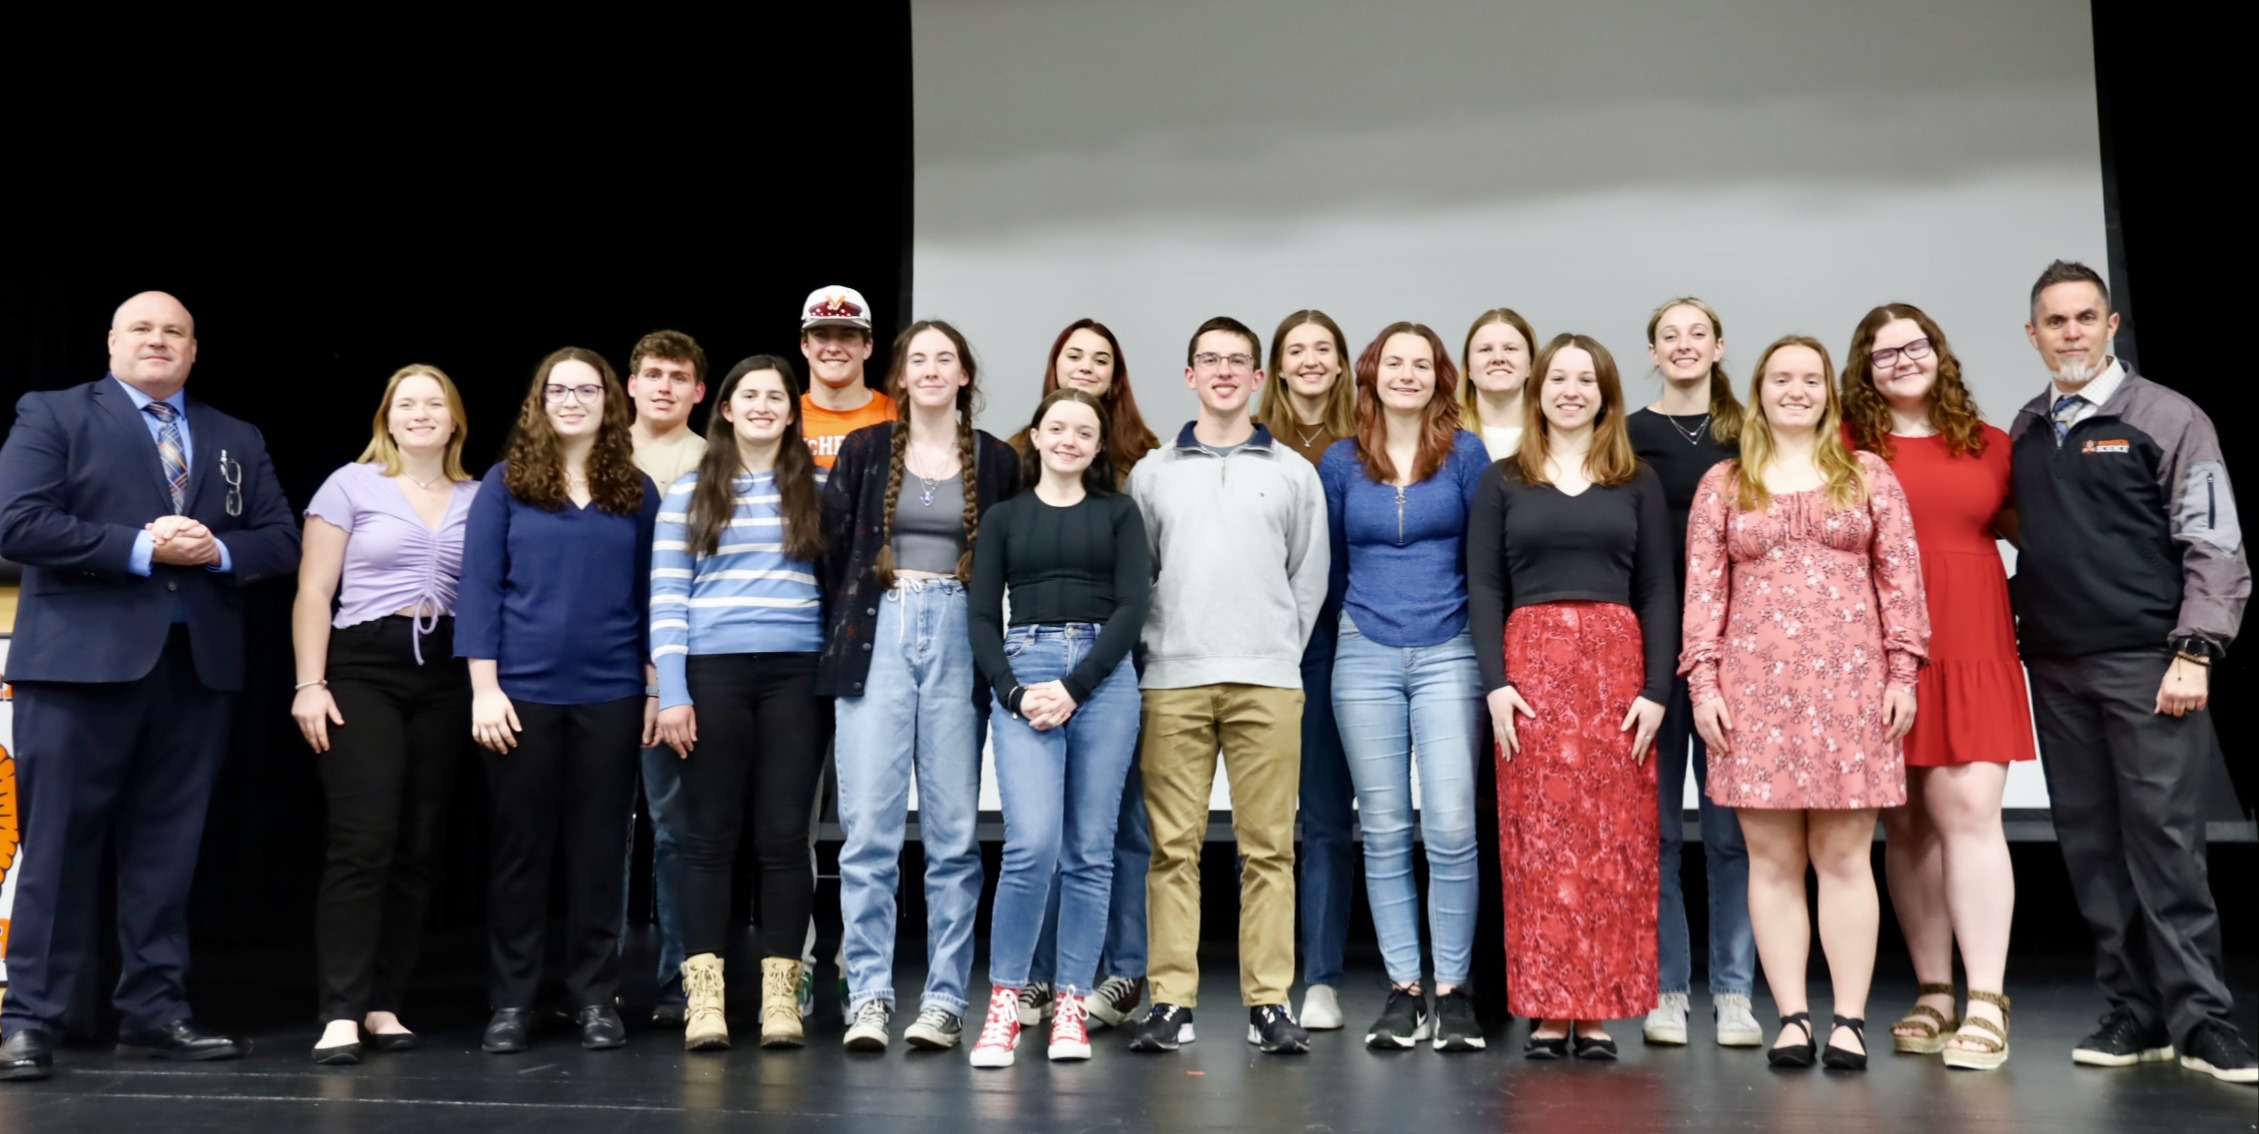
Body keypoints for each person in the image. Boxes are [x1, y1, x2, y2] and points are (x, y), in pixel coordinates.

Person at [0, 291, 300, 1082]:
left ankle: (155, 1012)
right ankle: (29, 1020)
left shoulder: (236, 435)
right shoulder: (54, 414)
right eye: (143, 328)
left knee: (166, 855)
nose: (159, 341)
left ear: (195, 351)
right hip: (74, 669)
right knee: (59, 848)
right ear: (111, 343)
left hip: (194, 672)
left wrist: (217, 553)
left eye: (175, 332)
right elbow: (17, 522)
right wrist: (140, 546)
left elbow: (279, 540)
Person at [2008, 260, 2255, 1084]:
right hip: (2054, 671)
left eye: (2085, 318)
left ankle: (2203, 1021)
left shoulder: (2167, 417)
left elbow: (2213, 543)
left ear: (2111, 326)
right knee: (2089, 846)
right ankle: (2133, 1013)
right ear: (2033, 334)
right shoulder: (2025, 429)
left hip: (2152, 667)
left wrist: (2195, 649)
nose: (2070, 333)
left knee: (2165, 843)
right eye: (2054, 321)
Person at [1679, 335, 1929, 1073]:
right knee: (1772, 859)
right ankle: (1791, 1015)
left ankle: (1847, 1019)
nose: (1795, 390)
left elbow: (1901, 582)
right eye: (1780, 378)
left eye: (1809, 379)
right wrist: (1703, 686)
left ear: (1828, 391)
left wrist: (1901, 676)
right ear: (1757, 390)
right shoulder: (1723, 483)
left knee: (1846, 857)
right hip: (1753, 697)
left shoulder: (1866, 475)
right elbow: (1702, 596)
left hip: (1853, 691)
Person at [1126, 316, 1328, 1056]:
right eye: (1207, 360)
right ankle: (1171, 1002)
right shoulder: (1150, 472)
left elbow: (1307, 580)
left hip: (1267, 682)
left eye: (1236, 361)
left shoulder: (1292, 473)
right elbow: (1138, 576)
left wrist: (1273, 652)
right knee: (1170, 850)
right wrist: (1160, 652)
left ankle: (1267, 1003)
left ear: (1256, 379)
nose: (1221, 371)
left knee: (1268, 849)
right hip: (1173, 681)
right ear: (1188, 376)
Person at [1469, 333, 1675, 1061]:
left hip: (1616, 676)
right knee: (1538, 845)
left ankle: (1594, 1011)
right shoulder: (1501, 480)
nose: (1570, 389)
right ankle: (1546, 1010)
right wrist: (1495, 684)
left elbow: (1656, 588)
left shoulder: (1635, 481)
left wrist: (1655, 690)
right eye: (1557, 377)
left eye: (1585, 379)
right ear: (1538, 391)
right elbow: (1486, 588)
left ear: (1604, 395)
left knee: (1611, 845)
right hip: (1529, 677)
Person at [1840, 303, 2032, 1071]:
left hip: (1973, 640)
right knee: (1907, 823)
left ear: (1938, 353)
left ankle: (1986, 1000)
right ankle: (1933, 991)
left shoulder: (1989, 445)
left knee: (1968, 812)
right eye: (1882, 354)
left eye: (1913, 346)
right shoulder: (1848, 447)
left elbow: (2040, 534)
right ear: (1864, 370)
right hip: (1882, 650)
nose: (1901, 361)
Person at [819, 319, 1020, 1052]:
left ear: (964, 375)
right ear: (898, 375)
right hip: (877, 629)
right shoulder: (865, 450)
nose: (931, 369)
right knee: (868, 834)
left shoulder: (996, 460)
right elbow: (832, 553)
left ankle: (941, 1001)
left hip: (956, 637)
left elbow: (1010, 560)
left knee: (954, 838)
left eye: (946, 358)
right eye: (918, 359)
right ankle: (868, 996)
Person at [457, 347, 661, 1056]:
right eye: (557, 389)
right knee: (521, 853)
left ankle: (593, 998)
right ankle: (512, 1001)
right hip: (520, 698)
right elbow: (479, 591)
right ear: (538, 403)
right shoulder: (505, 485)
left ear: (610, 401)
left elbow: (650, 598)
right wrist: (484, 689)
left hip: (610, 694)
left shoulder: (634, 490)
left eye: (586, 389)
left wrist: (652, 688)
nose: (571, 400)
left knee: (600, 852)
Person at [293, 364, 479, 1064]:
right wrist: (308, 683)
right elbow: (313, 591)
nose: (421, 413)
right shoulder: (349, 485)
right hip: (363, 666)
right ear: (387, 417)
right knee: (362, 838)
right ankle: (338, 1010)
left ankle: (383, 1004)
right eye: (407, 403)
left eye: (435, 402)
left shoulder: (479, 493)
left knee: (419, 842)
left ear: (455, 419)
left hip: (448, 670)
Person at [967, 388, 1152, 1067]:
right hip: (1026, 669)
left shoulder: (1119, 513)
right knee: (1031, 846)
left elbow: (1134, 607)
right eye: (1057, 428)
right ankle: (1004, 1004)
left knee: (1090, 852)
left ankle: (1072, 1002)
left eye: (1084, 431)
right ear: (1037, 438)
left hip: (1102, 679)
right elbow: (982, 617)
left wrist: (1076, 688)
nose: (1069, 439)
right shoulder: (1005, 518)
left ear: (1098, 446)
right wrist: (1014, 695)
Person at [649, 355, 829, 1052]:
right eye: (747, 394)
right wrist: (673, 691)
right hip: (713, 672)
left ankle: (780, 1000)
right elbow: (666, 597)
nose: (761, 405)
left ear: (791, 411)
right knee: (709, 841)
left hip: (796, 676)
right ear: (724, 408)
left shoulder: (818, 487)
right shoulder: (691, 492)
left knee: (784, 840)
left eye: (774, 396)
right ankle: (706, 1003)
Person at [1320, 322, 1490, 1051]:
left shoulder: (1465, 453)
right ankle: (1403, 989)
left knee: (1450, 828)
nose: (1407, 374)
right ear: (1372, 372)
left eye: (1422, 365)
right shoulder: (1338, 460)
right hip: (1361, 652)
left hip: (1450, 649)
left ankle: (1451, 992)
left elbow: (1485, 557)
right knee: (1385, 832)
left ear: (1438, 377)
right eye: (1395, 363)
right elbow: (1323, 565)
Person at [1003, 319, 1161, 1033]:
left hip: (1118, 666)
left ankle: (1119, 972)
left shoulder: (1143, 461)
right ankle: (1037, 981)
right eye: (1076, 356)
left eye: (1103, 359)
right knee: (1039, 837)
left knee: (1113, 831)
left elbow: (1142, 588)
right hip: (1035, 659)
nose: (1089, 367)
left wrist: (1094, 674)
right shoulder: (1016, 459)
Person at [1626, 297, 1760, 1049]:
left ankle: (1734, 993)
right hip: (1650, 652)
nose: (1683, 345)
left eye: (1696, 334)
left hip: (1734, 653)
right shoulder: (1627, 436)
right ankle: (1666, 988)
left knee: (1730, 833)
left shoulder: (1750, 432)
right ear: (1653, 348)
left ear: (1718, 346)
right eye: (1668, 335)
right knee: (1653, 833)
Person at [1256, 309, 1359, 1030]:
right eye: (1298, 350)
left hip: (1335, 643)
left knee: (1325, 815)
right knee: (1263, 822)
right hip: (1257, 643)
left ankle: (1319, 978)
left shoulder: (1365, 443)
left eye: (1324, 349)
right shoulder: (1250, 444)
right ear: (1277, 367)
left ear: (1342, 363)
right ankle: (1264, 976)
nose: (1312, 360)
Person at [623, 329, 708, 1028]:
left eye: (678, 377)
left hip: (675, 668)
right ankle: (591, 982)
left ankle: (680, 980)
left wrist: (663, 678)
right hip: (592, 666)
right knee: (594, 832)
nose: (664, 387)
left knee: (674, 831)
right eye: (653, 374)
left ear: (699, 392)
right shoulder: (594, 451)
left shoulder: (713, 464)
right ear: (630, 384)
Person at [800, 285, 900, 479]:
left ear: (867, 346)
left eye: (848, 335)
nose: (833, 347)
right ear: (805, 345)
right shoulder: (784, 418)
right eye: (821, 335)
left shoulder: (900, 416)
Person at [1460, 308, 1538, 461]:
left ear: (1531, 364)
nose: (1498, 358)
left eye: (1510, 349)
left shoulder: (1553, 439)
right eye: (1485, 349)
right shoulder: (1445, 440)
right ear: (1469, 368)